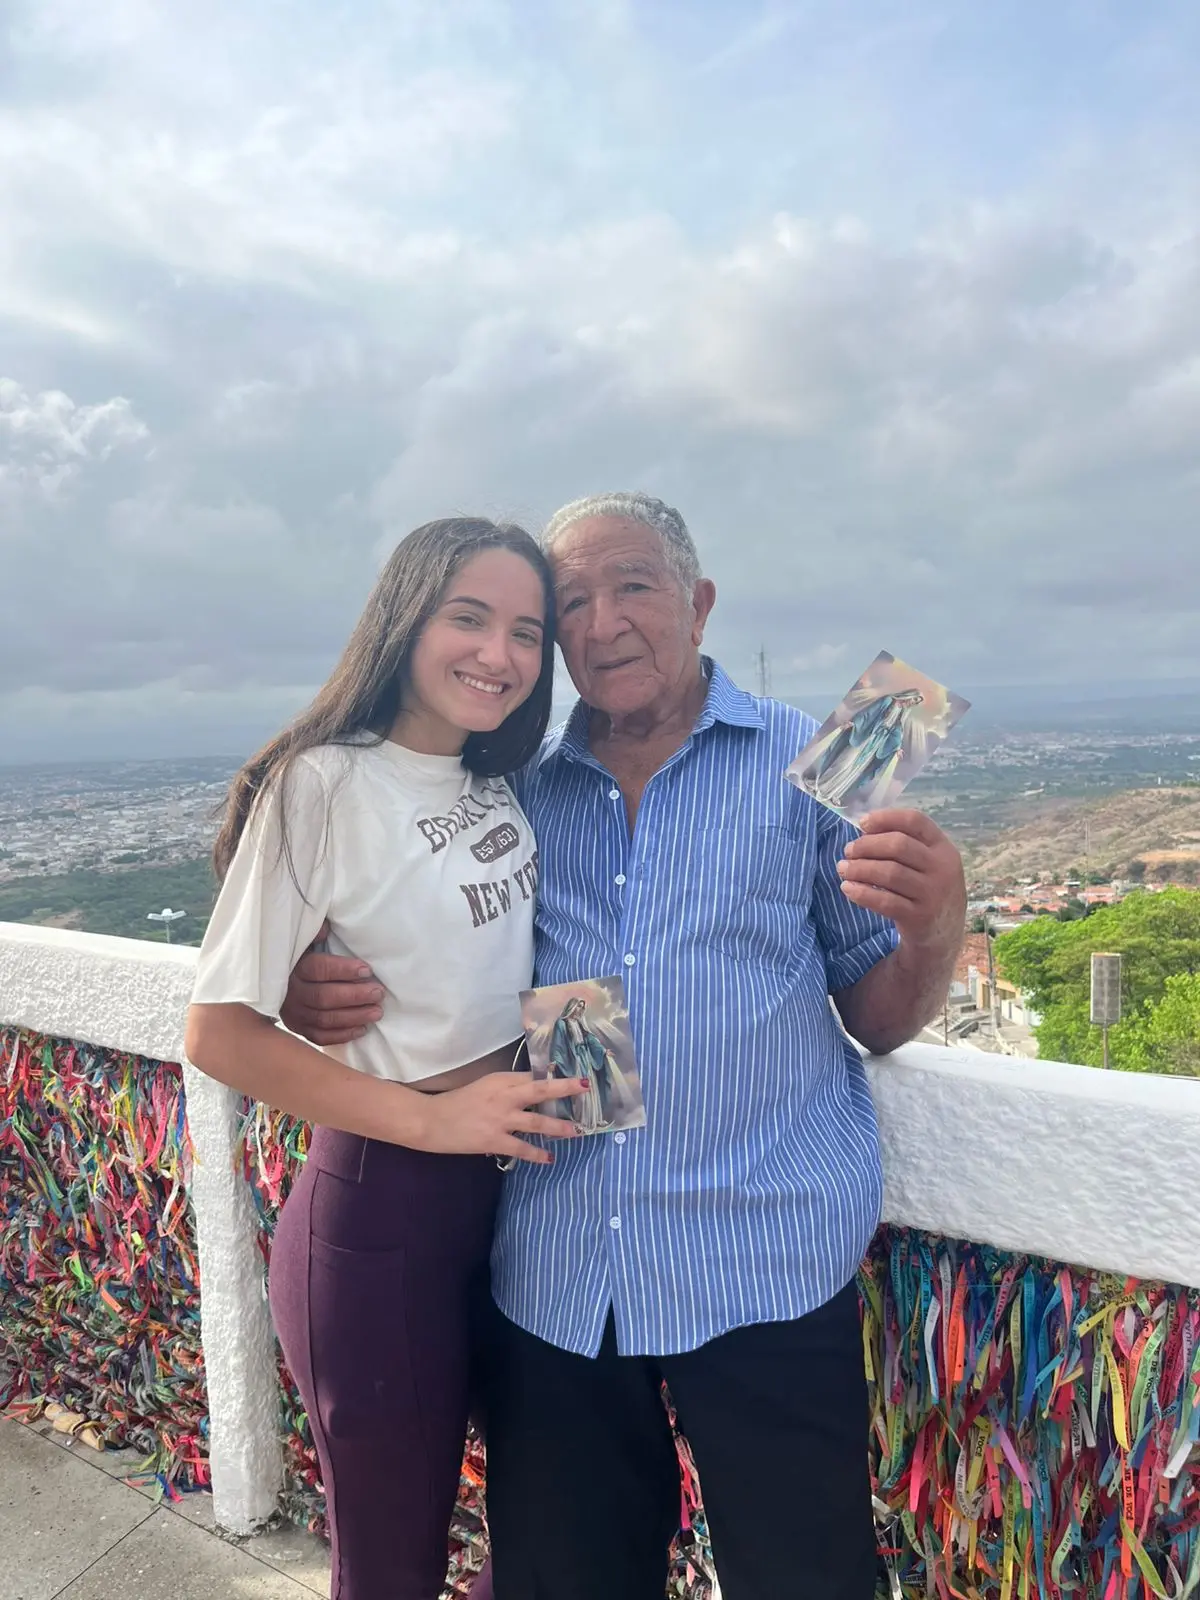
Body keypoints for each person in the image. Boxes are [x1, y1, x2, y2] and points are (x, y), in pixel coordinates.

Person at [282, 493, 967, 1600]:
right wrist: (317, 980)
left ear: (697, 604)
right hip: (561, 1274)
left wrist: (938, 922)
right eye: (572, 605)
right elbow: (395, 916)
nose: (603, 625)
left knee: (808, 1578)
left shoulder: (826, 758)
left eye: (634, 586)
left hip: (765, 1262)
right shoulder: (509, 791)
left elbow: (879, 1015)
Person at [183, 518, 585, 1600]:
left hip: (525, 1206)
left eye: (526, 632)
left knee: (546, 1527)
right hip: (386, 1214)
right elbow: (219, 1030)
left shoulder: (499, 781)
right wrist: (435, 1118)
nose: (498, 654)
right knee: (393, 1561)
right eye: (469, 617)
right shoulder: (325, 783)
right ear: (404, 617)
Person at [802, 686, 926, 809]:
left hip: (875, 745)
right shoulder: (888, 701)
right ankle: (818, 786)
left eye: (916, 702)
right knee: (843, 763)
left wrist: (897, 747)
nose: (913, 703)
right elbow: (867, 713)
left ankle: (835, 793)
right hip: (865, 737)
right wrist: (854, 723)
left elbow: (897, 732)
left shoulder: (901, 713)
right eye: (914, 699)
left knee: (856, 770)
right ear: (909, 695)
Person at [548, 996, 626, 1131]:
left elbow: (590, 1039)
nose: (581, 1009)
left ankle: (595, 1119)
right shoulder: (561, 1023)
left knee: (592, 1089)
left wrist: (603, 1050)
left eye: (583, 1007)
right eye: (579, 1005)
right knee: (580, 1093)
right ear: (572, 1006)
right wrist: (555, 1061)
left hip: (586, 1058)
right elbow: (557, 1045)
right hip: (574, 1060)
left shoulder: (579, 1023)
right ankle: (581, 1122)